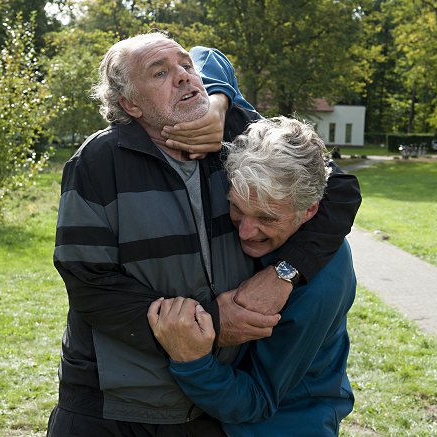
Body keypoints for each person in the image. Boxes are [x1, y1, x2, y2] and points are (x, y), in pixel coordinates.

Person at [49, 31, 361, 436]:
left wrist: (286, 270)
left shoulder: (236, 144)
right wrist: (212, 322)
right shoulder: (98, 161)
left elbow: (337, 187)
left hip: (205, 414)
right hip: (108, 408)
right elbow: (88, 283)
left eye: (184, 67)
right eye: (159, 73)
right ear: (130, 104)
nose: (182, 76)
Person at [148, 116, 356, 436]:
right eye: (237, 209)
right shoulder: (258, 220)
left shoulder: (322, 282)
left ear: (311, 211)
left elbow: (257, 402)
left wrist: (192, 361)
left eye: (266, 218)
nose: (245, 231)